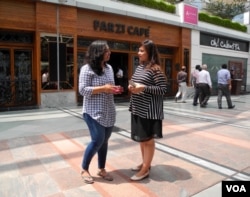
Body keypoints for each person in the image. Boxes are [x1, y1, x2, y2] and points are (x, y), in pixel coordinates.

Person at [78, 40, 123, 184]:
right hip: (92, 111)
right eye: (106, 50)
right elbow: (83, 90)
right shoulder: (87, 69)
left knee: (105, 141)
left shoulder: (109, 68)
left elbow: (108, 86)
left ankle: (101, 169)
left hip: (108, 110)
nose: (109, 53)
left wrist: (115, 89)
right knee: (97, 140)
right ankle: (84, 168)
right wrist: (104, 88)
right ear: (98, 53)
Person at [128, 39, 168, 181]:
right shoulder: (140, 67)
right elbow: (135, 81)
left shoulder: (155, 69)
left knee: (148, 140)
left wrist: (144, 88)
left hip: (149, 111)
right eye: (139, 50)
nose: (138, 53)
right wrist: (131, 86)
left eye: (141, 51)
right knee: (142, 139)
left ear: (149, 52)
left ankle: (145, 169)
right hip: (138, 108)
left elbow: (163, 89)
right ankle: (145, 163)